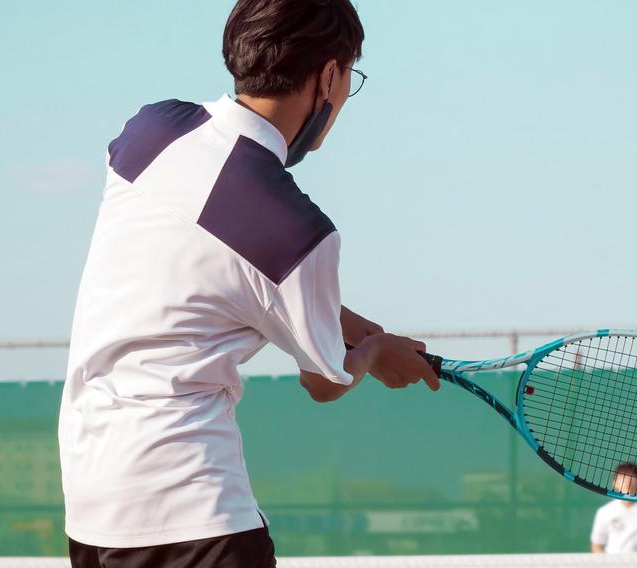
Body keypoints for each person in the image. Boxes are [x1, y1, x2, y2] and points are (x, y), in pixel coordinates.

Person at [58, 1, 439, 567]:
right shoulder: (298, 233)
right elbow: (325, 381)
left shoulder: (150, 131)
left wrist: (343, 317)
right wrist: (377, 352)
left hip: (93, 512)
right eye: (349, 79)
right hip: (195, 519)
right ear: (329, 76)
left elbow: (210, 263)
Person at [590, 462, 637, 553]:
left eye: (633, 477)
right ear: (615, 483)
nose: (628, 481)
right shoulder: (604, 512)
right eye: (623, 476)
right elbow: (597, 546)